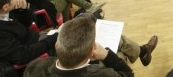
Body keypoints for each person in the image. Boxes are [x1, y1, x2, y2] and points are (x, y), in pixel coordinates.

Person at [24, 15, 159, 76]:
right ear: (91, 52)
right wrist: (106, 55)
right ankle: (142, 51)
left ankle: (143, 51)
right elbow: (128, 75)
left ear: (56, 45)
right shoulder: (104, 74)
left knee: (119, 43)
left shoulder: (34, 68)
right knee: (120, 53)